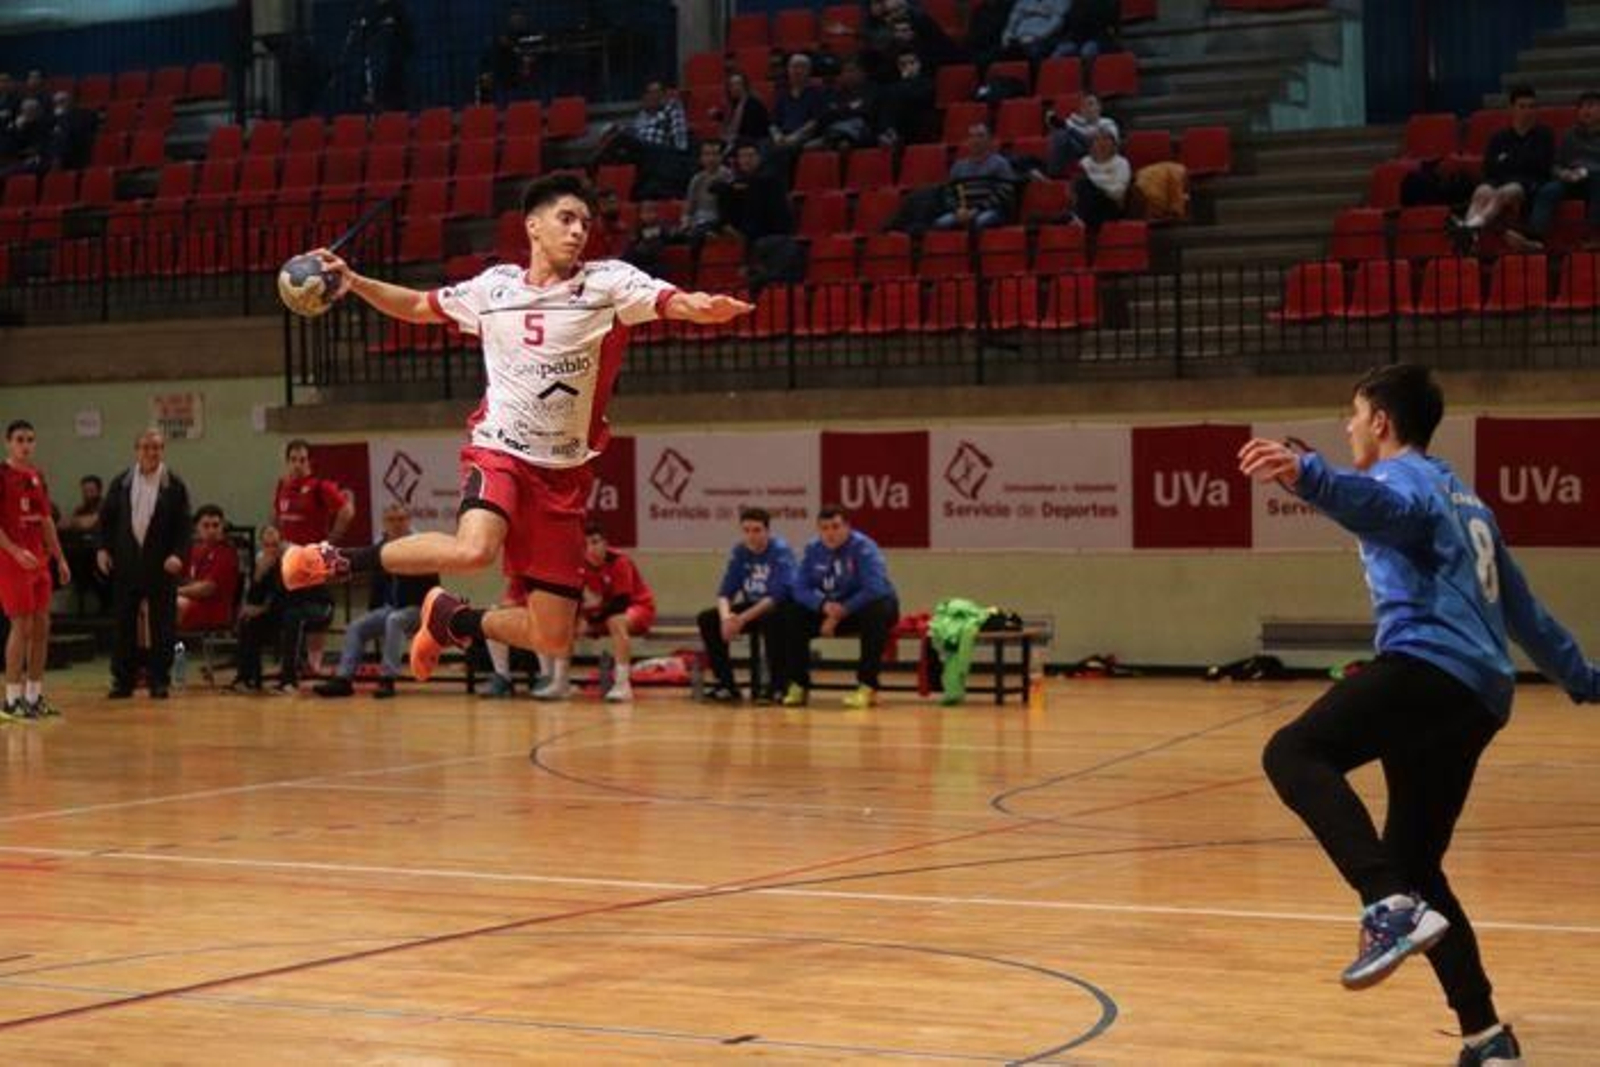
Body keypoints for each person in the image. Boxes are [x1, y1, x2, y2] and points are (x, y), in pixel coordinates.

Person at [1238, 364, 1599, 1067]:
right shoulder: (1468, 502)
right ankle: (1486, 1037)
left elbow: (1388, 510)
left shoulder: (1400, 480)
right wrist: (1585, 680)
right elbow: (1525, 612)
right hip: (1479, 697)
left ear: (1381, 421)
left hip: (1429, 668)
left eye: (1353, 414)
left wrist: (1308, 474)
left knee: (1293, 752)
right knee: (1416, 866)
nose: (1347, 427)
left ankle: (1384, 905)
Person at [278, 174, 751, 687]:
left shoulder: (609, 283)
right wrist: (355, 282)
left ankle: (453, 620)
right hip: (500, 451)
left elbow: (671, 301)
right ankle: (334, 560)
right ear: (533, 226)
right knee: (473, 550)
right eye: (566, 219)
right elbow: (417, 306)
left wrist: (701, 306)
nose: (578, 231)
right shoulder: (494, 288)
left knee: (553, 636)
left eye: (585, 223)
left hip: (563, 476)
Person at [97, 429, 192, 700]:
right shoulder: (122, 482)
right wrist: (103, 549)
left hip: (161, 565)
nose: (151, 452)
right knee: (123, 623)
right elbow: (106, 520)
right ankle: (123, 681)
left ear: (163, 451)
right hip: (127, 563)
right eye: (146, 447)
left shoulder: (174, 485)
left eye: (156, 447)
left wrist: (178, 555)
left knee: (163, 625)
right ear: (136, 450)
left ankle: (159, 680)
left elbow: (184, 526)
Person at [777, 506, 899, 709]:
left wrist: (839, 613)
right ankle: (798, 684)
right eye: (824, 528)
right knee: (790, 612)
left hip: (864, 608)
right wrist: (822, 605)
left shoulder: (864, 547)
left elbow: (874, 589)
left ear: (847, 527)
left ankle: (868, 686)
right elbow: (799, 588)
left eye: (835, 527)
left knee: (876, 611)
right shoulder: (813, 549)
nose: (830, 533)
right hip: (831, 608)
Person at [314, 505, 437, 699]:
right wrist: (328, 558)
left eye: (401, 519)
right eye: (391, 520)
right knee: (356, 627)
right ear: (385, 523)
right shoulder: (382, 545)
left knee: (394, 620)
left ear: (409, 521)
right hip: (392, 608)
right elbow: (360, 558)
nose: (396, 524)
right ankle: (343, 680)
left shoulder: (420, 545)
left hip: (420, 609)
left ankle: (387, 679)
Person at [536, 522, 656, 702]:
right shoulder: (577, 567)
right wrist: (578, 619)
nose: (591, 548)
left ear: (605, 543)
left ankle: (622, 684)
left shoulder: (619, 561)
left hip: (636, 609)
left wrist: (591, 623)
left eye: (595, 542)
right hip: (601, 616)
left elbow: (620, 603)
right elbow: (572, 600)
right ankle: (560, 682)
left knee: (616, 621)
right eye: (585, 545)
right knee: (565, 623)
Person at [0, 420, 68, 720]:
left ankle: (33, 696)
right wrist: (15, 551)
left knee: (42, 625)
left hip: (39, 559)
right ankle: (11, 699)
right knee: (21, 625)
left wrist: (60, 558)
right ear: (8, 442)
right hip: (12, 559)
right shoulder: (2, 475)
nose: (25, 445)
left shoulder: (37, 475)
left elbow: (46, 520)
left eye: (30, 439)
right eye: (19, 439)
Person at [272, 438, 353, 688]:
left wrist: (329, 542)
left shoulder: (319, 487)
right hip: (288, 561)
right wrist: (278, 542)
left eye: (302, 460)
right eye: (293, 459)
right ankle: (291, 665)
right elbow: (277, 517)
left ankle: (308, 665)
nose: (297, 464)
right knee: (287, 613)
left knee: (307, 611)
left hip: (311, 562)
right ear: (287, 462)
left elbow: (347, 511)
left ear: (309, 462)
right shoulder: (282, 486)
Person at [698, 507, 795, 704]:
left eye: (757, 530)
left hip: (779, 608)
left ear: (767, 531)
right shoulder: (740, 552)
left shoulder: (780, 551)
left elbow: (775, 597)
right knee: (708, 619)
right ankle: (726, 684)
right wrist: (726, 619)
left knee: (772, 619)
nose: (751, 536)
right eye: (747, 530)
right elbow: (725, 593)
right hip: (752, 607)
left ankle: (777, 686)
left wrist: (741, 619)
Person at [1450, 84, 1554, 253]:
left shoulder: (1544, 136)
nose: (1527, 111)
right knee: (1481, 191)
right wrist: (1515, 164)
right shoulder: (1498, 138)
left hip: (1528, 184)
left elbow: (1539, 167)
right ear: (1512, 109)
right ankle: (1469, 240)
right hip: (1499, 181)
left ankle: (1469, 227)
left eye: (1531, 107)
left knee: (1505, 191)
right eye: (1522, 106)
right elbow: (1490, 168)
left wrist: (1509, 164)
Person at [1528, 89, 1600, 247]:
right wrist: (1563, 173)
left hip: (1596, 180)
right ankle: (1535, 239)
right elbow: (1555, 165)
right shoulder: (1570, 135)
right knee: (1548, 190)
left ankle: (1595, 236)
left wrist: (1590, 171)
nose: (1585, 110)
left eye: (1591, 105)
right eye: (1581, 107)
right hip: (1573, 180)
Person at [932, 123, 1018, 231]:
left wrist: (978, 209)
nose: (975, 140)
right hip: (963, 212)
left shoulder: (1000, 163)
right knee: (940, 224)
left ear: (989, 140)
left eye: (980, 136)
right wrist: (957, 210)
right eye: (972, 136)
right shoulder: (958, 166)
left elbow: (1005, 192)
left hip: (991, 210)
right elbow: (948, 193)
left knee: (979, 222)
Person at [177, 504, 240, 633]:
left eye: (216, 525)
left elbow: (207, 589)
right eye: (206, 526)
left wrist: (174, 591)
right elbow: (181, 577)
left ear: (222, 527)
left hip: (213, 609)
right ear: (197, 528)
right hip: (192, 602)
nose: (211, 530)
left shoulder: (227, 553)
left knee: (170, 604)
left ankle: (167, 644)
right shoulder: (193, 550)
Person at [58, 473, 108, 613]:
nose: (88, 495)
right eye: (85, 491)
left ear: (99, 491)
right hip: (84, 551)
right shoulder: (81, 509)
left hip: (102, 552)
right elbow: (62, 524)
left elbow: (90, 522)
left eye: (91, 491)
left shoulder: (104, 506)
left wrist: (76, 522)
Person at [1046, 91, 1119, 177]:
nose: (1087, 108)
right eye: (1083, 106)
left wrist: (1070, 129)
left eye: (1091, 104)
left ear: (1099, 107)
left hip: (1096, 153)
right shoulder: (1074, 122)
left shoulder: (1107, 123)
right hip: (1075, 153)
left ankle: (1051, 174)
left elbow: (1108, 146)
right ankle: (1052, 173)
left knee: (1066, 131)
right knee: (1060, 134)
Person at [1074, 128, 1130, 230]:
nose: (1102, 143)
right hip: (1088, 206)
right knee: (1082, 184)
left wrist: (1094, 182)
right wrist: (1108, 180)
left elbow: (1118, 192)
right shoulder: (1084, 162)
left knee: (1086, 186)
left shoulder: (1121, 163)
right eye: (1097, 140)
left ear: (1114, 145)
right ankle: (1078, 220)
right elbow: (1077, 190)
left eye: (1106, 139)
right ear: (1091, 145)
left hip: (1110, 206)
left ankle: (1077, 220)